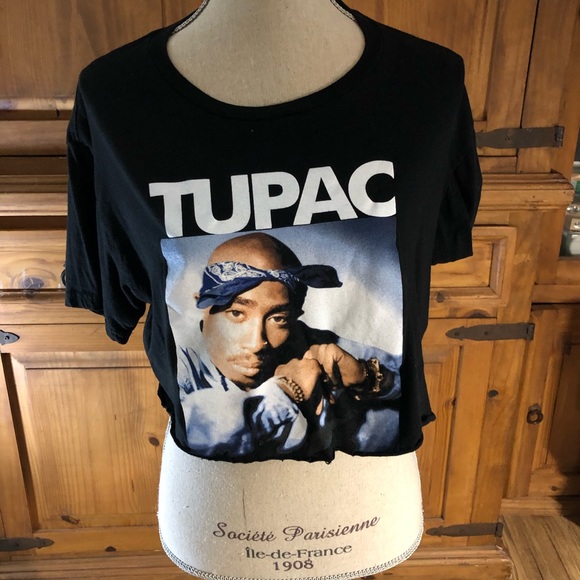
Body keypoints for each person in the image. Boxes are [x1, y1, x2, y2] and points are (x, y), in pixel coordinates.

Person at [177, 232, 401, 460]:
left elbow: (408, 377)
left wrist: (367, 376)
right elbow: (193, 430)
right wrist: (288, 390)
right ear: (202, 306)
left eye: (278, 319)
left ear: (294, 317)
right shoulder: (179, 357)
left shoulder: (305, 341)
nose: (257, 343)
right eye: (236, 313)